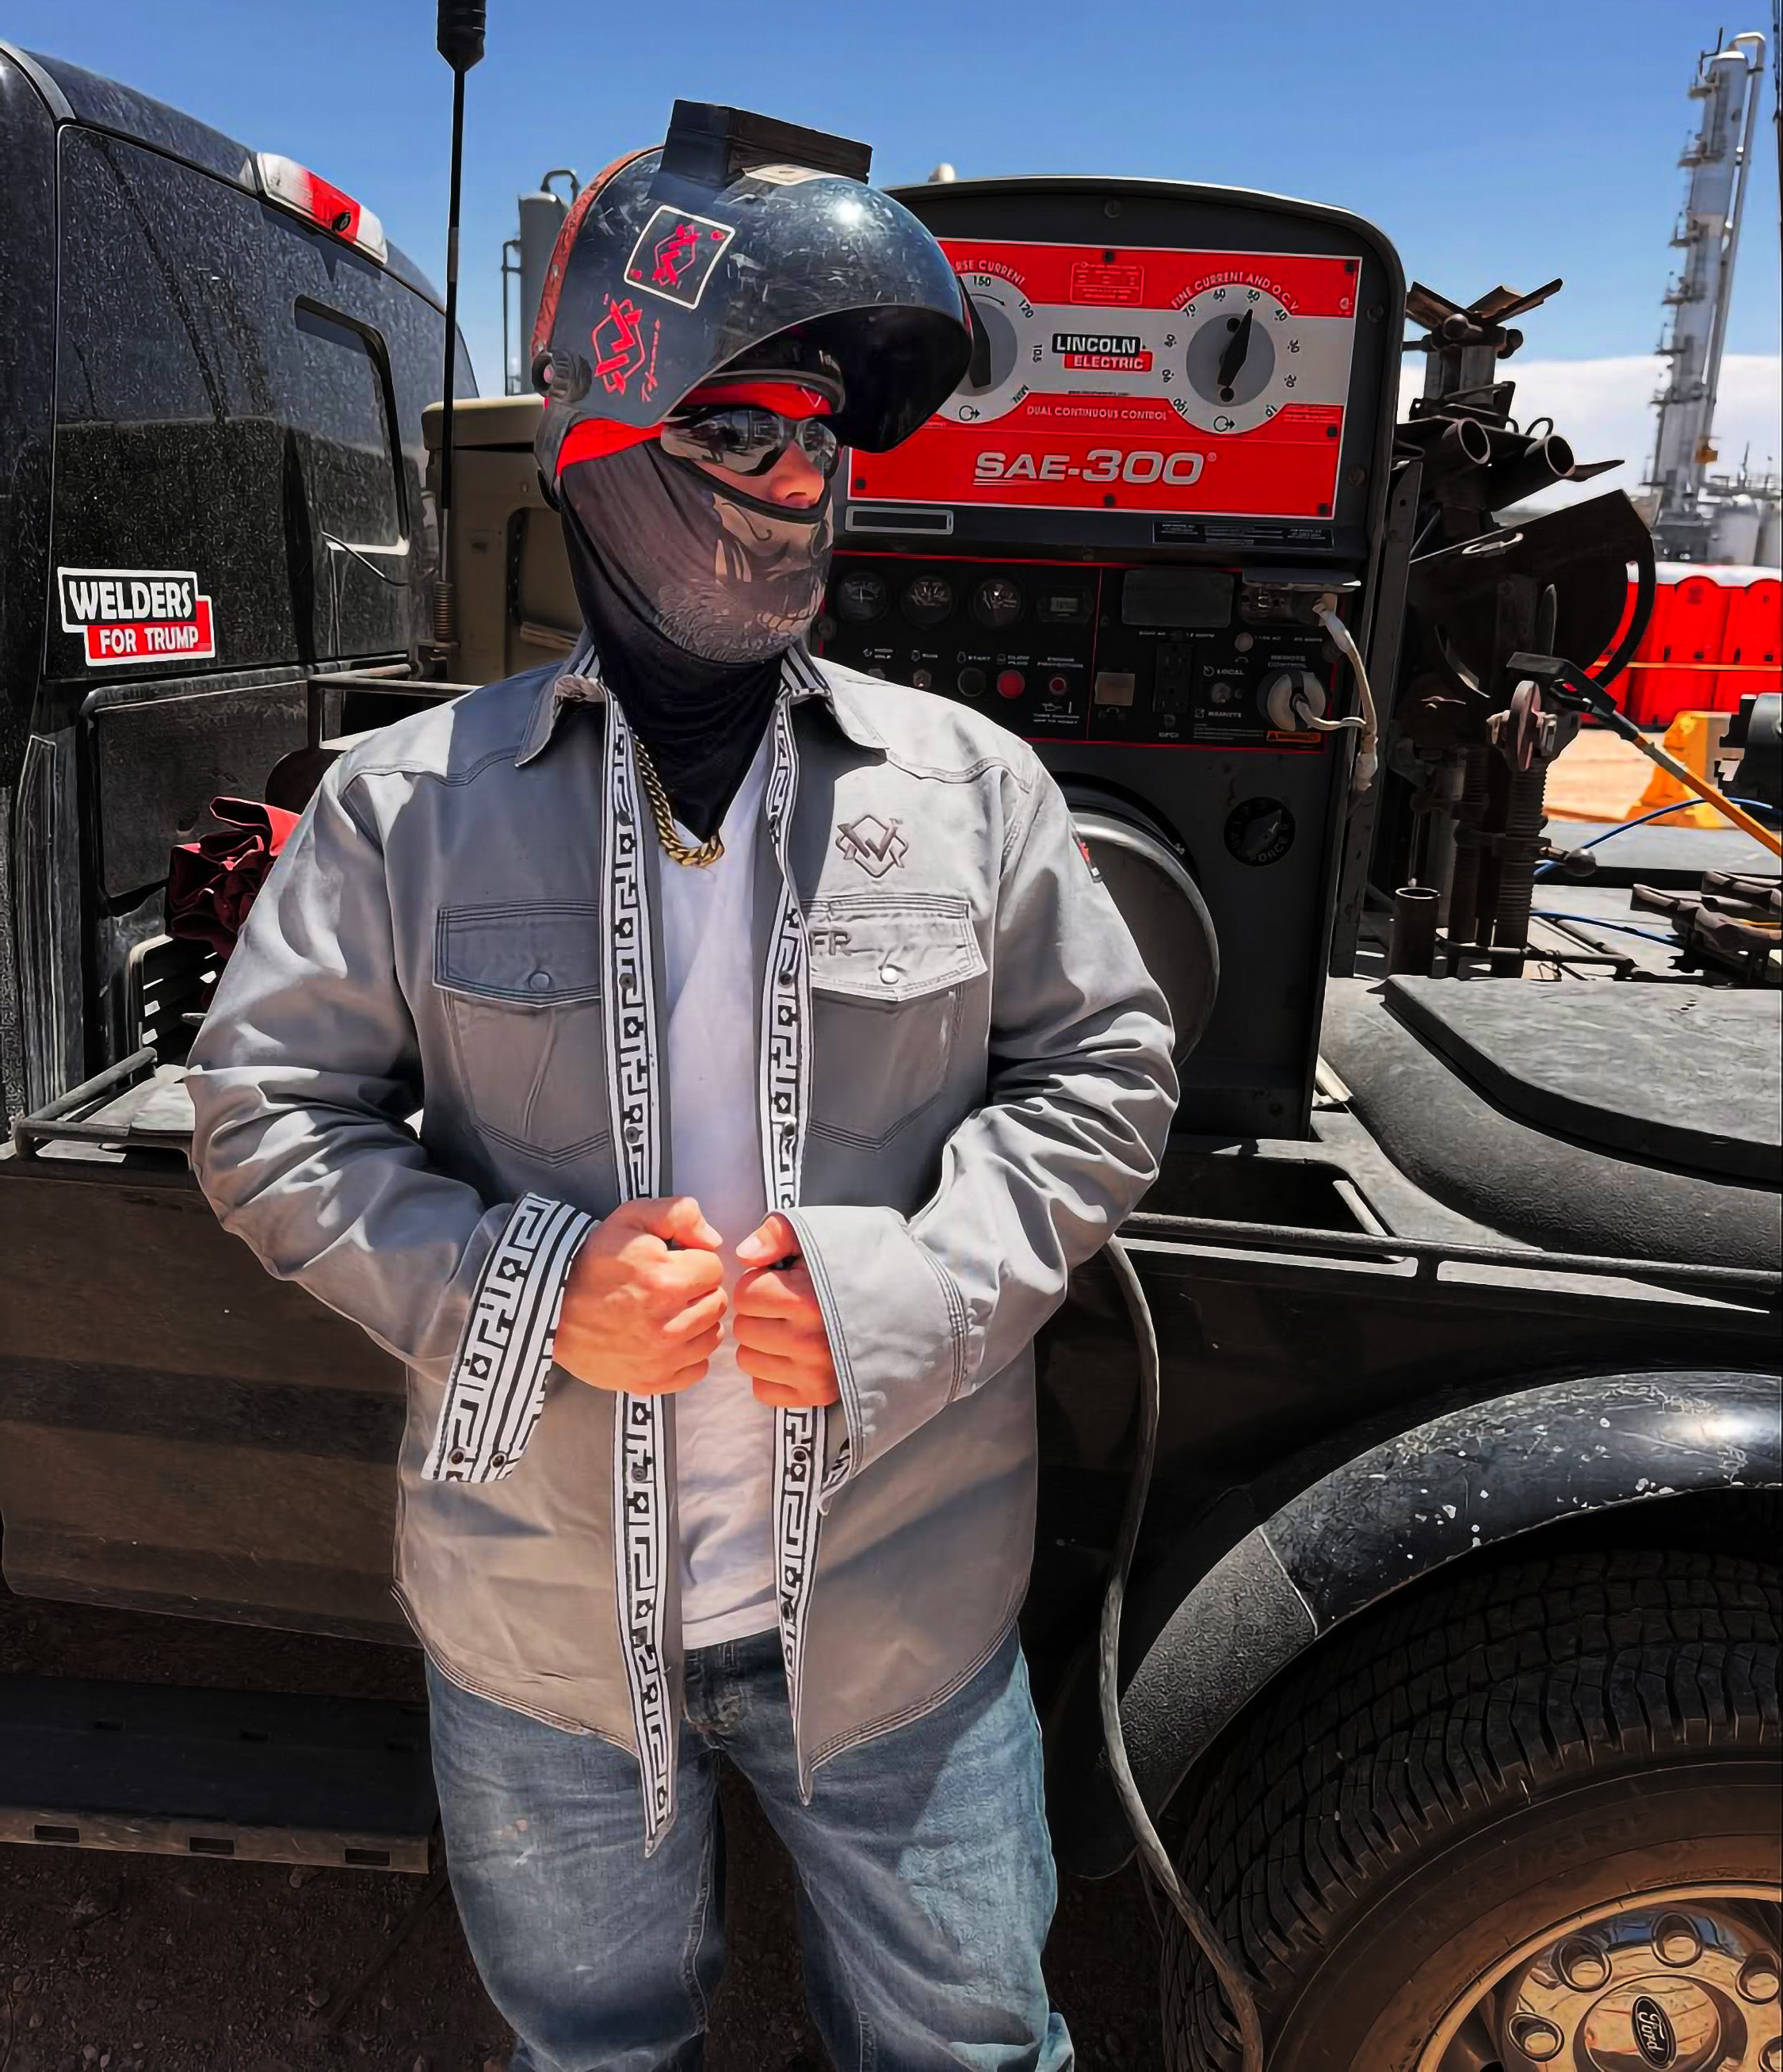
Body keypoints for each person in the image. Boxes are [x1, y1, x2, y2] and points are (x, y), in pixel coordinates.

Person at [185, 106, 1179, 2072]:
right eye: (744, 426)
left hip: (900, 1615)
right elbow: (265, 1114)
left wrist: (910, 1292)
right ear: (607, 436)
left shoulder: (971, 791)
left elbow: (1106, 1069)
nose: (801, 478)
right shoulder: (406, 806)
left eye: (825, 436)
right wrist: (528, 1292)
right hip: (543, 1634)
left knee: (972, 2052)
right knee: (593, 2050)